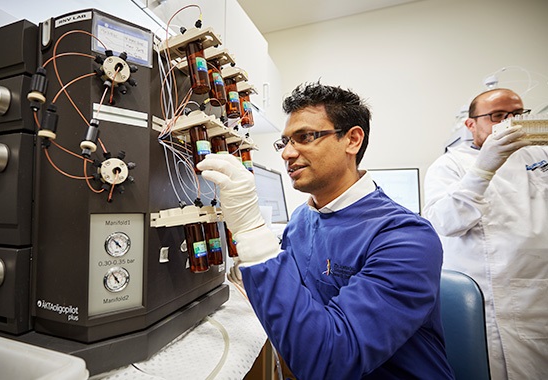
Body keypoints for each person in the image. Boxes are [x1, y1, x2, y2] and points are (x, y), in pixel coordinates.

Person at [197, 82, 454, 379]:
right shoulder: (301, 220)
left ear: (352, 140)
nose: (287, 154)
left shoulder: (405, 237)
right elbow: (296, 300)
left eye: (304, 137)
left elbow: (332, 361)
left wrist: (252, 231)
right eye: (285, 142)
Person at [423, 88, 548, 380]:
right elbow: (443, 222)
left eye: (518, 114)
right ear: (471, 125)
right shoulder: (450, 165)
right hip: (492, 300)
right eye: (498, 116)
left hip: (540, 293)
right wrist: (483, 170)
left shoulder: (541, 156)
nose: (510, 123)